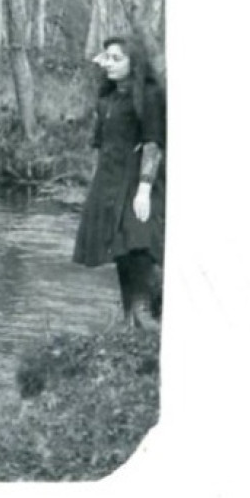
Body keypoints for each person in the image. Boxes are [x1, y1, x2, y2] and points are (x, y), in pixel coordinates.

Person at [73, 35, 166, 327]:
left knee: (139, 244)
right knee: (121, 250)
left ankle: (148, 319)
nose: (108, 64)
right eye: (106, 58)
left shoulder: (150, 95)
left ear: (134, 62)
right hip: (110, 180)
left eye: (117, 58)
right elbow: (101, 145)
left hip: (140, 180)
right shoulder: (107, 98)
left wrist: (144, 188)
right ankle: (131, 323)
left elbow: (153, 144)